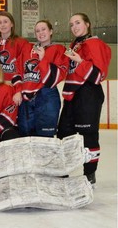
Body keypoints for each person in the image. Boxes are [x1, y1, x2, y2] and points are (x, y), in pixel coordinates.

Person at [57, 13, 111, 186]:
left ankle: (89, 175)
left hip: (88, 94)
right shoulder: (77, 44)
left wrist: (80, 61)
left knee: (88, 137)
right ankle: (64, 172)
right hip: (73, 95)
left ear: (87, 24)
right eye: (71, 24)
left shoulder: (94, 43)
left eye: (78, 22)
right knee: (64, 134)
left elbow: (98, 75)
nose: (74, 26)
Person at [14, 20, 69, 137]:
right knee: (26, 137)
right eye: (37, 31)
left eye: (43, 29)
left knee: (45, 139)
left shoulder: (59, 49)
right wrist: (18, 90)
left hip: (46, 97)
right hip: (26, 100)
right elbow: (17, 71)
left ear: (50, 31)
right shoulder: (27, 50)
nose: (40, 33)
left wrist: (43, 58)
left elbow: (54, 79)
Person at [0, 11, 31, 105]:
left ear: (12, 24)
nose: (2, 25)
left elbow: (23, 69)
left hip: (13, 88)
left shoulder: (21, 43)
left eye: (5, 22)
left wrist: (19, 90)